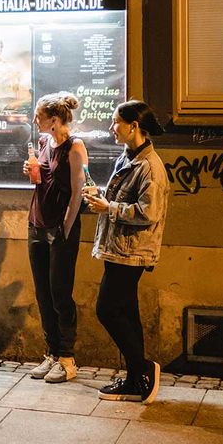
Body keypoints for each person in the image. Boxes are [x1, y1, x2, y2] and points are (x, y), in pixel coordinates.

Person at [83, 100, 169, 404]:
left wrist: (110, 207)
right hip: (119, 248)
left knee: (106, 309)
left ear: (134, 126)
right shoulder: (128, 157)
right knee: (127, 313)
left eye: (116, 122)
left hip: (132, 251)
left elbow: (150, 212)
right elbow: (120, 199)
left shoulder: (150, 167)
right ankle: (136, 380)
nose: (111, 127)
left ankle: (143, 368)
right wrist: (100, 198)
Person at [21, 92, 89, 384]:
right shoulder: (41, 143)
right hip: (36, 223)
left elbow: (78, 193)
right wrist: (29, 172)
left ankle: (67, 358)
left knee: (60, 293)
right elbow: (41, 181)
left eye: (39, 115)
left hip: (60, 229)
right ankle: (50, 353)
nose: (34, 119)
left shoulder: (75, 147)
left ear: (54, 119)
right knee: (43, 293)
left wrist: (65, 228)